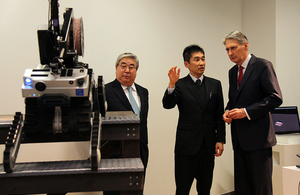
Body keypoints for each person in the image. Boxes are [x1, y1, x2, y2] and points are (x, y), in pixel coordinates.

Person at [222, 31, 283, 195]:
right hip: (239, 140)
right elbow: (234, 100)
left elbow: (275, 98)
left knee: (261, 189)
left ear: (246, 45)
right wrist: (227, 111)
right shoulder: (232, 72)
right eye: (227, 49)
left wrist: (246, 112)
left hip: (259, 141)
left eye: (233, 48)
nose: (230, 53)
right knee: (243, 189)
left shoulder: (263, 65)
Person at [162, 45, 225, 195]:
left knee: (205, 189)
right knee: (182, 189)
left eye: (203, 59)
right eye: (196, 59)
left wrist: (220, 139)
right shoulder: (180, 84)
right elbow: (167, 105)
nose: (201, 63)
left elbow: (219, 114)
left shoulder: (215, 84)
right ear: (186, 64)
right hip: (186, 147)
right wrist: (171, 85)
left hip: (208, 146)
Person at [104, 52, 149, 195]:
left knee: (136, 190)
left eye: (131, 67)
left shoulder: (143, 92)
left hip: (139, 149)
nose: (127, 70)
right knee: (113, 192)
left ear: (136, 70)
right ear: (116, 68)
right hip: (113, 151)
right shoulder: (106, 91)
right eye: (123, 66)